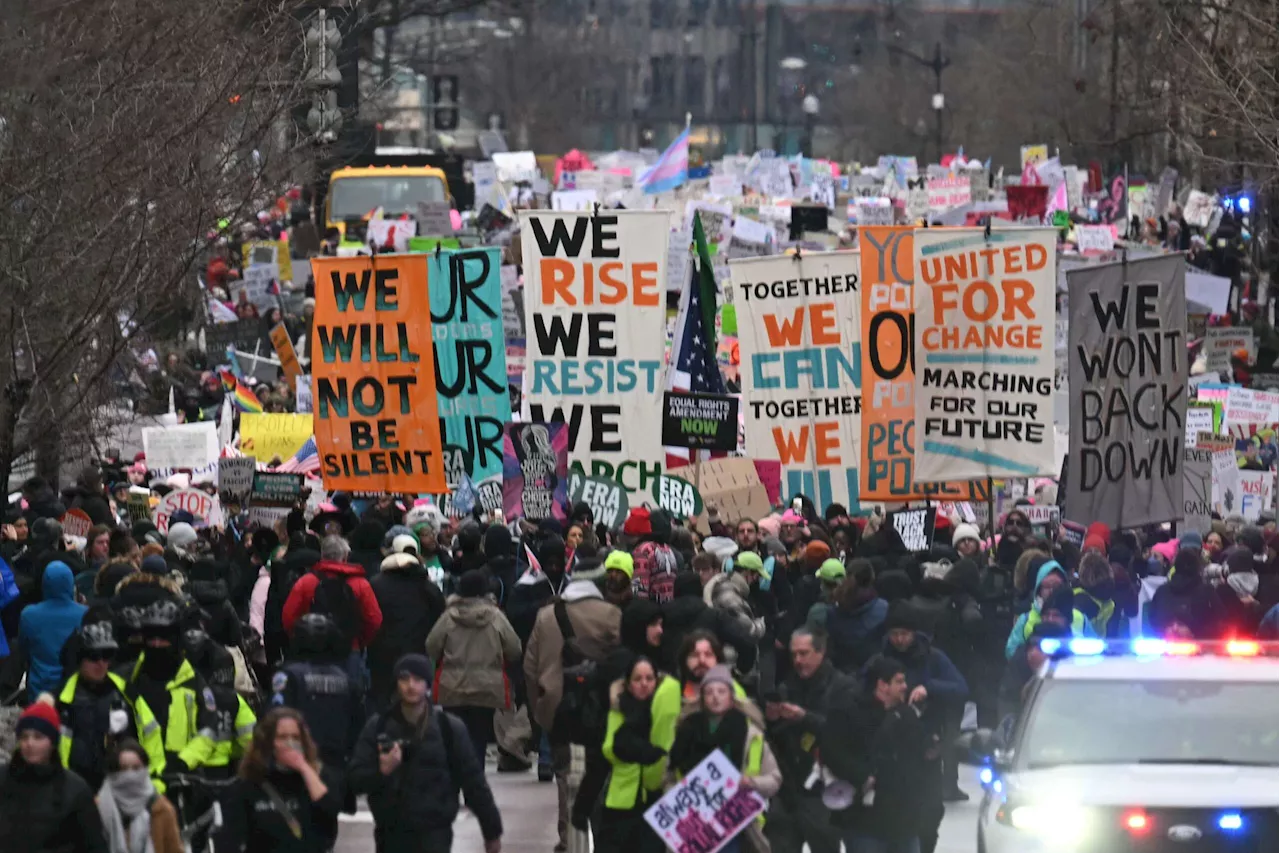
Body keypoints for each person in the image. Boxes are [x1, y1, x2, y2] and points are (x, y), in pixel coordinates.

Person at [349, 655, 503, 853]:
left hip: (435, 832)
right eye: (404, 679)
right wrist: (382, 771)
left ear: (428, 685)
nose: (410, 686)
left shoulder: (448, 728)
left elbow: (474, 782)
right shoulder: (378, 727)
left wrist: (491, 831)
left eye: (417, 679)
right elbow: (355, 779)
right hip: (391, 833)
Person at [523, 569, 620, 851]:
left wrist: (538, 708)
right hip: (602, 707)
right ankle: (602, 839)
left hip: (558, 706)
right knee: (603, 774)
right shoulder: (612, 614)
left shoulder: (546, 615)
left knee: (567, 777)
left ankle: (570, 841)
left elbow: (530, 667)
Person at [668, 665, 781, 853]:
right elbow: (669, 775)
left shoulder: (751, 734)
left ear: (731, 696)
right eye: (709, 692)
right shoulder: (685, 731)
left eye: (721, 691)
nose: (715, 696)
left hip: (734, 823)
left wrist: (750, 782)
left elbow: (774, 779)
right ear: (702, 697)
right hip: (692, 823)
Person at [824, 655, 930, 853]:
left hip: (905, 820)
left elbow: (922, 753)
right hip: (866, 822)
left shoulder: (906, 714)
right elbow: (833, 752)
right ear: (882, 685)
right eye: (899, 681)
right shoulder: (849, 711)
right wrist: (864, 776)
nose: (905, 686)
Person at [766, 627, 858, 853]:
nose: (798, 660)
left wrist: (804, 718)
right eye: (794, 654)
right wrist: (771, 720)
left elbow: (846, 733)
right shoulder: (786, 687)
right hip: (787, 791)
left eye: (804, 653)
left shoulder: (843, 686)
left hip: (823, 791)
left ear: (821, 652)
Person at [426, 569, 523, 764]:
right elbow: (515, 649)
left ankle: (454, 781)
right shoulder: (496, 617)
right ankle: (474, 777)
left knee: (453, 735)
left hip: (453, 685)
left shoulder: (449, 616)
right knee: (478, 738)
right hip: (486, 686)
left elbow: (431, 646)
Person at [217, 708, 342, 853]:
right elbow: (230, 839)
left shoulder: (316, 778)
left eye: (295, 738)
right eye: (282, 737)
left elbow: (331, 810)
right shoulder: (248, 784)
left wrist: (304, 767)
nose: (290, 744)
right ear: (268, 742)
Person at [0, 697, 108, 853]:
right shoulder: (3, 780)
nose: (30, 743)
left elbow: (94, 845)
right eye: (24, 737)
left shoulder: (75, 790)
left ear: (52, 742)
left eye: (38, 737)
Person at [270, 614, 365, 772]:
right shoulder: (347, 681)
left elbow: (273, 718)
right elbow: (358, 727)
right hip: (336, 764)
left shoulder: (288, 676)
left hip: (297, 762)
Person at [599, 656, 671, 852]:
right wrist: (647, 751)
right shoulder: (618, 709)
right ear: (628, 684)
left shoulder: (663, 712)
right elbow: (611, 748)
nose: (644, 684)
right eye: (638, 679)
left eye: (649, 678)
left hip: (656, 799)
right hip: (622, 801)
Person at [56, 618, 136, 791]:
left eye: (106, 655)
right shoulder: (60, 699)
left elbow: (150, 738)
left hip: (118, 787)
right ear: (80, 659)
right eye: (93, 656)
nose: (101, 663)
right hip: (73, 789)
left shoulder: (125, 693)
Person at [368, 536, 446, 706]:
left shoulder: (376, 584)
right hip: (418, 648)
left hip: (382, 651)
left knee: (383, 697)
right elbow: (440, 612)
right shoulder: (426, 586)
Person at [281, 535, 383, 656]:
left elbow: (288, 617)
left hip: (312, 648)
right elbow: (374, 620)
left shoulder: (306, 582)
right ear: (345, 557)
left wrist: (301, 639)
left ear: (322, 555)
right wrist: (359, 642)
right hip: (349, 649)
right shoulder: (361, 584)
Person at [96, 740, 182, 853]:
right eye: (124, 769)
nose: (130, 775)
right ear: (114, 773)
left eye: (136, 768)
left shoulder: (162, 809)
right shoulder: (97, 808)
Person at [19, 560, 88, 701]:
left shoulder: (29, 615)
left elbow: (24, 651)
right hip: (74, 691)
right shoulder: (85, 614)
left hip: (39, 691)